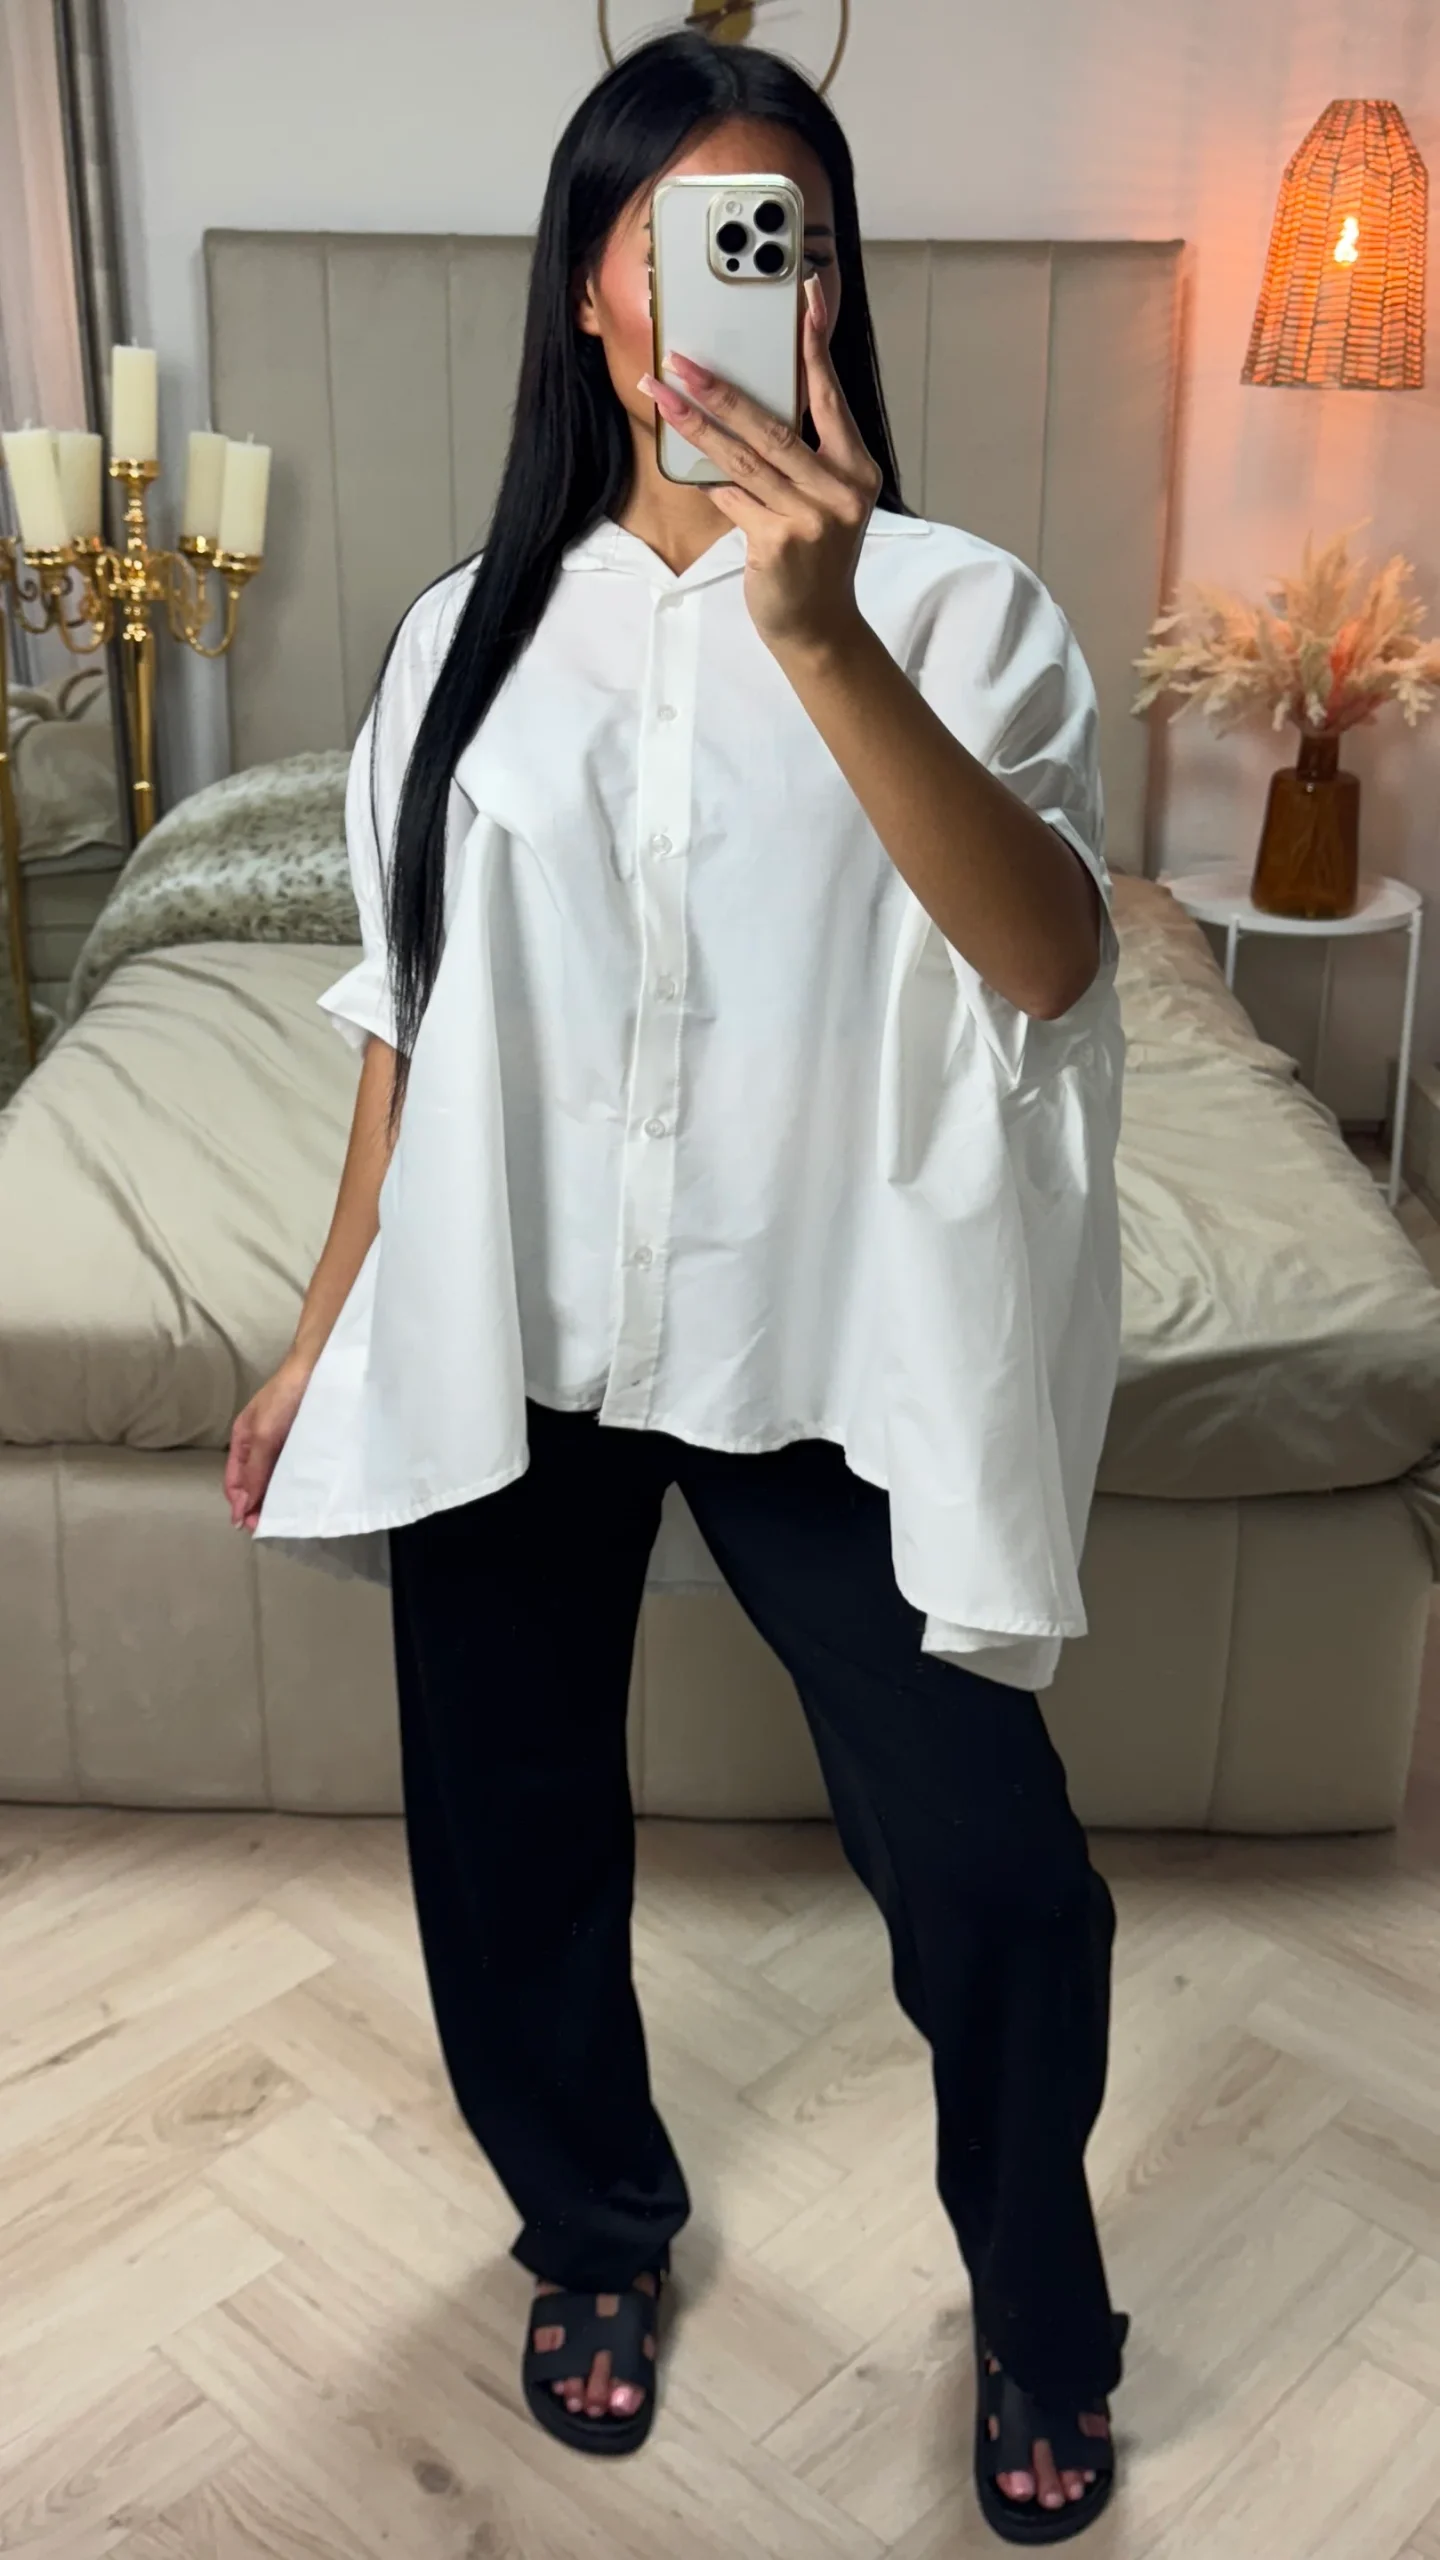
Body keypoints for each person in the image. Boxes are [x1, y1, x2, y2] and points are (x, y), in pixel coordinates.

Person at [224, 29, 1129, 2544]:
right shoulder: (461, 635)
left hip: (813, 1339)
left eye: (784, 235)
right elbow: (413, 1016)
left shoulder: (960, 610)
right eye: (680, 231)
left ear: (831, 290)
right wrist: (322, 1327)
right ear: (590, 289)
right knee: (506, 1842)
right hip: (510, 1333)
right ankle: (596, 2227)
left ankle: (1042, 2306)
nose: (737, 278)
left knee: (996, 1870)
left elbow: (1054, 963)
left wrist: (824, 639)